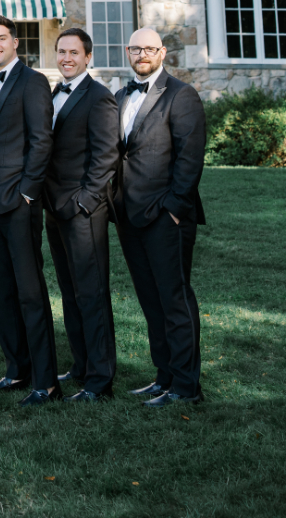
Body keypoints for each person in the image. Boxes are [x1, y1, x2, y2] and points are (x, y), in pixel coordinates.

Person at [115, 26, 206, 407]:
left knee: (174, 299)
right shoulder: (120, 96)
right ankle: (164, 376)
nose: (142, 55)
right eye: (136, 49)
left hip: (166, 216)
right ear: (128, 52)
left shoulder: (181, 95)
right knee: (151, 301)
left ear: (163, 52)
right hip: (128, 214)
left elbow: (190, 157)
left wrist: (173, 209)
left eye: (150, 48)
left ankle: (186, 387)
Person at [0, 15, 59, 407]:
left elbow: (42, 141)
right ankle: (16, 370)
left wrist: (27, 193)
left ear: (15, 43)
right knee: (0, 292)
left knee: (29, 293)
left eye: (0, 39)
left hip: (18, 203)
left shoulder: (33, 82)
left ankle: (46, 381)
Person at [43, 28, 119, 402]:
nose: (67, 57)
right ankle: (82, 364)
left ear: (88, 57)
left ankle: (100, 380)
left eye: (74, 52)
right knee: (71, 294)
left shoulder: (99, 97)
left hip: (83, 212)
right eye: (61, 51)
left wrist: (85, 202)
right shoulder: (55, 93)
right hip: (55, 210)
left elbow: (107, 156)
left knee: (92, 294)